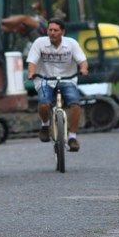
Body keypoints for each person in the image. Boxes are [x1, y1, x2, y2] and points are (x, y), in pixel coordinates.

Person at [26, 18, 89, 152]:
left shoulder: (71, 44)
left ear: (62, 32)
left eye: (56, 30)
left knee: (75, 104)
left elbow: (82, 61)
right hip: (45, 79)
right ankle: (45, 125)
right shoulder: (39, 43)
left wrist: (83, 69)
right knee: (44, 104)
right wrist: (31, 73)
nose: (52, 33)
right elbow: (32, 62)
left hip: (67, 79)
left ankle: (72, 137)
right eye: (50, 30)